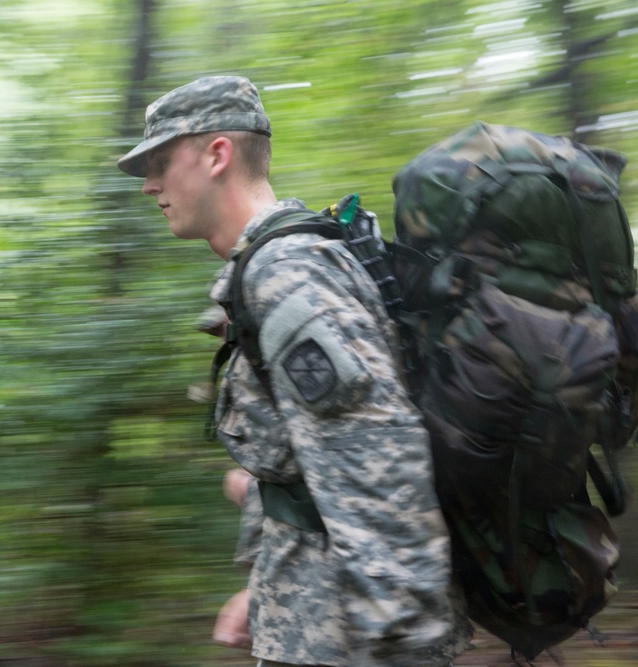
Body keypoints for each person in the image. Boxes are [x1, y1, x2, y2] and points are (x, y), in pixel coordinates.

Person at [117, 76, 471, 667]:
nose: (151, 184)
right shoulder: (271, 265)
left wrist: (400, 634)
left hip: (349, 639)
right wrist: (262, 587)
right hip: (311, 618)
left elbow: (376, 453)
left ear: (218, 154)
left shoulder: (286, 275)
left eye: (160, 160)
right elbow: (311, 460)